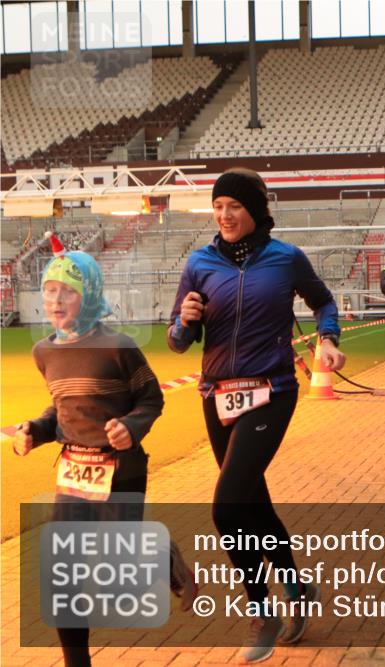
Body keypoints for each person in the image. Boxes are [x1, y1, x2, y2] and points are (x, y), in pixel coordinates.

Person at [168, 168, 345, 663]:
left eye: (235, 207)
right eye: (218, 206)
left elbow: (323, 300)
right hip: (216, 395)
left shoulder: (286, 258)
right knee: (252, 505)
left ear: (257, 211)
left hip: (272, 390)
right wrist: (184, 322)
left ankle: (263, 610)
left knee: (226, 507)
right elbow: (178, 342)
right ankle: (298, 588)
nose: (225, 215)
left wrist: (328, 338)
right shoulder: (199, 263)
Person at [14, 232, 195, 667]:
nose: (56, 301)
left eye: (68, 292)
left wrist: (130, 427)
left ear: (90, 294)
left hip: (123, 468)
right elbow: (61, 409)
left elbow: (152, 399)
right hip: (74, 472)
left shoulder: (119, 348)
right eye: (49, 291)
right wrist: (35, 431)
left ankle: (161, 553)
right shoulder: (44, 352)